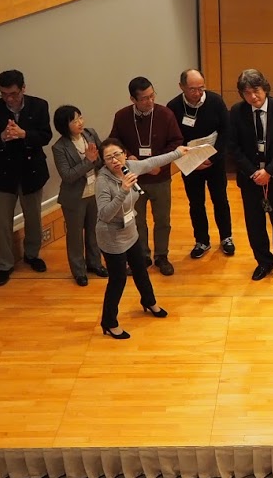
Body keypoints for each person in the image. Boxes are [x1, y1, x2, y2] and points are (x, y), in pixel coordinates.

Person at [95, 138, 189, 339]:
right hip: (111, 236)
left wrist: (178, 153)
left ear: (124, 154)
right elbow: (104, 215)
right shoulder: (103, 181)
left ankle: (149, 301)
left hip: (130, 231)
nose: (115, 160)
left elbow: (152, 162)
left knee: (140, 269)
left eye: (117, 154)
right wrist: (123, 191)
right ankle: (109, 322)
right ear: (104, 162)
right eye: (109, 158)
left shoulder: (130, 166)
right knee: (118, 280)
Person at [107, 76, 183, 276]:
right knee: (137, 220)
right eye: (144, 98)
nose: (150, 101)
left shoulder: (165, 114)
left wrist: (159, 163)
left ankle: (162, 256)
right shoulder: (122, 116)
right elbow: (114, 142)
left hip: (160, 177)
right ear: (133, 99)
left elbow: (176, 142)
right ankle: (142, 256)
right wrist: (128, 155)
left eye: (152, 96)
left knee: (162, 219)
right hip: (133, 179)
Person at [0, 70, 51, 286]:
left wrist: (24, 134)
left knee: (33, 217)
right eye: (3, 94)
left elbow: (46, 136)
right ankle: (4, 264)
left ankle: (32, 254)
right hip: (2, 173)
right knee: (1, 222)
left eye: (13, 94)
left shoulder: (39, 105)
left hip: (31, 170)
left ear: (23, 88)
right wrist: (3, 137)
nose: (9, 99)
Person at [227, 69, 273, 285]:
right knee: (254, 223)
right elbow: (233, 147)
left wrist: (269, 172)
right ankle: (264, 262)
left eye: (256, 90)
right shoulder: (236, 112)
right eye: (247, 93)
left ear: (265, 88)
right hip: (250, 178)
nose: (253, 96)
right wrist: (253, 172)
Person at [166, 68, 236, 260]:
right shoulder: (173, 107)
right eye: (192, 89)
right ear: (181, 87)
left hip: (214, 160)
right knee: (196, 203)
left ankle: (226, 237)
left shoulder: (216, 101)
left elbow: (226, 131)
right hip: (190, 163)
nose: (197, 93)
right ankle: (202, 241)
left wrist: (211, 158)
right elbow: (173, 139)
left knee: (220, 199)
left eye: (201, 88)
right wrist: (191, 161)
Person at [50, 105, 106, 287]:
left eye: (80, 117)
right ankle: (79, 271)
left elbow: (101, 159)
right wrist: (88, 161)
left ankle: (95, 263)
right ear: (64, 125)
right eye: (74, 121)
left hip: (95, 192)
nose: (80, 122)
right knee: (75, 237)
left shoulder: (90, 134)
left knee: (94, 231)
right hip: (74, 198)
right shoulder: (59, 147)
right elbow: (68, 176)